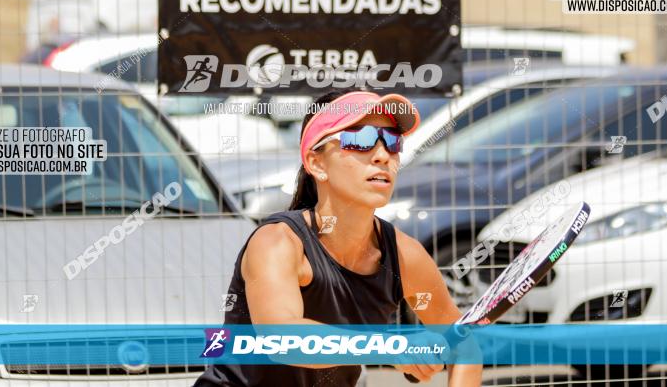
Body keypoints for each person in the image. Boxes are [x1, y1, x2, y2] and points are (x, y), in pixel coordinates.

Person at [195, 89, 483, 386]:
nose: (383, 155)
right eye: (360, 139)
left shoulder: (404, 254)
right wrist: (390, 346)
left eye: (393, 141)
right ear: (316, 163)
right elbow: (282, 337)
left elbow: (464, 345)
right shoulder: (276, 242)